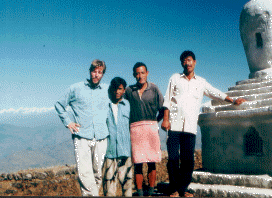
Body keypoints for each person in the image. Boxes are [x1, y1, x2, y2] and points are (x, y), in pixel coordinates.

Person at [161, 51, 246, 197]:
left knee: (188, 160)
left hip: (190, 127)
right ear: (181, 63)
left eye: (189, 60)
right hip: (174, 125)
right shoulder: (175, 78)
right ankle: (174, 188)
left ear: (195, 62)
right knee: (173, 158)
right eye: (184, 61)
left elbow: (215, 93)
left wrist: (232, 100)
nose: (187, 63)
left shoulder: (201, 82)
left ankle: (183, 189)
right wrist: (165, 119)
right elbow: (167, 100)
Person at [55, 59, 109, 196]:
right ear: (90, 71)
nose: (96, 75)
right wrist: (68, 122)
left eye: (99, 72)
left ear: (103, 74)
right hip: (81, 137)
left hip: (101, 137)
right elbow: (59, 105)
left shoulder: (107, 90)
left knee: (97, 174)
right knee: (85, 173)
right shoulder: (75, 88)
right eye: (94, 71)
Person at [124, 62, 164, 197]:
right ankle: (140, 192)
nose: (140, 76)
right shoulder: (129, 91)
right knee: (138, 162)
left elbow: (163, 108)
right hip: (135, 129)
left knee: (152, 162)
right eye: (137, 73)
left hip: (151, 128)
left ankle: (151, 191)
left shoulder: (154, 89)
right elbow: (123, 109)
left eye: (142, 72)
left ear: (147, 73)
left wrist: (154, 122)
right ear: (134, 75)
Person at [102, 77, 134, 197]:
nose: (117, 91)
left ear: (124, 90)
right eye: (115, 88)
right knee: (109, 188)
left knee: (127, 186)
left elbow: (131, 127)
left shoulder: (128, 105)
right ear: (111, 89)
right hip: (109, 152)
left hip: (125, 151)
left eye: (120, 89)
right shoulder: (105, 106)